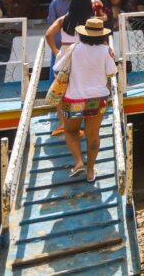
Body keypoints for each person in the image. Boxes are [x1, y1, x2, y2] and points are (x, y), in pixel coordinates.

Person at [54, 17, 117, 182]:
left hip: (74, 99)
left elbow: (58, 68)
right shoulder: (105, 51)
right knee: (93, 135)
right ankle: (91, 171)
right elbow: (111, 72)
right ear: (101, 36)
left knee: (70, 130)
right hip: (98, 98)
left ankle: (79, 161)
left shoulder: (74, 49)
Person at [44, 0, 95, 136]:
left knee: (61, 91)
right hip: (84, 58)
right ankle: (79, 123)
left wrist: (55, 50)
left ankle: (63, 123)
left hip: (64, 57)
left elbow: (48, 34)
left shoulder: (63, 19)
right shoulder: (91, 21)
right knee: (81, 91)